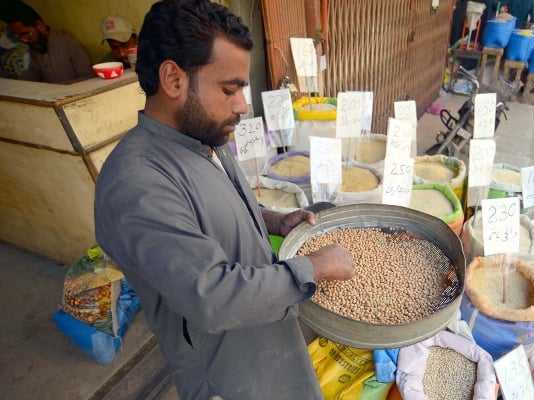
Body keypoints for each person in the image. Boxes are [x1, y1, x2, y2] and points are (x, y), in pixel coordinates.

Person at [93, 0, 355, 399]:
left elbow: (216, 206)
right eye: (229, 89)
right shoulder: (135, 183)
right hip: (227, 374)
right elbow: (211, 297)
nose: (241, 105)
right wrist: (313, 268)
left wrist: (272, 220)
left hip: (269, 337)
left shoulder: (203, 136)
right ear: (173, 79)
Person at [1, 1, 93, 83]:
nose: (23, 40)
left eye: (26, 34)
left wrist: (58, 89)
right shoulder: (37, 46)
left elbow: (87, 77)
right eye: (19, 36)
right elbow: (32, 74)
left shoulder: (68, 43)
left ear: (40, 26)